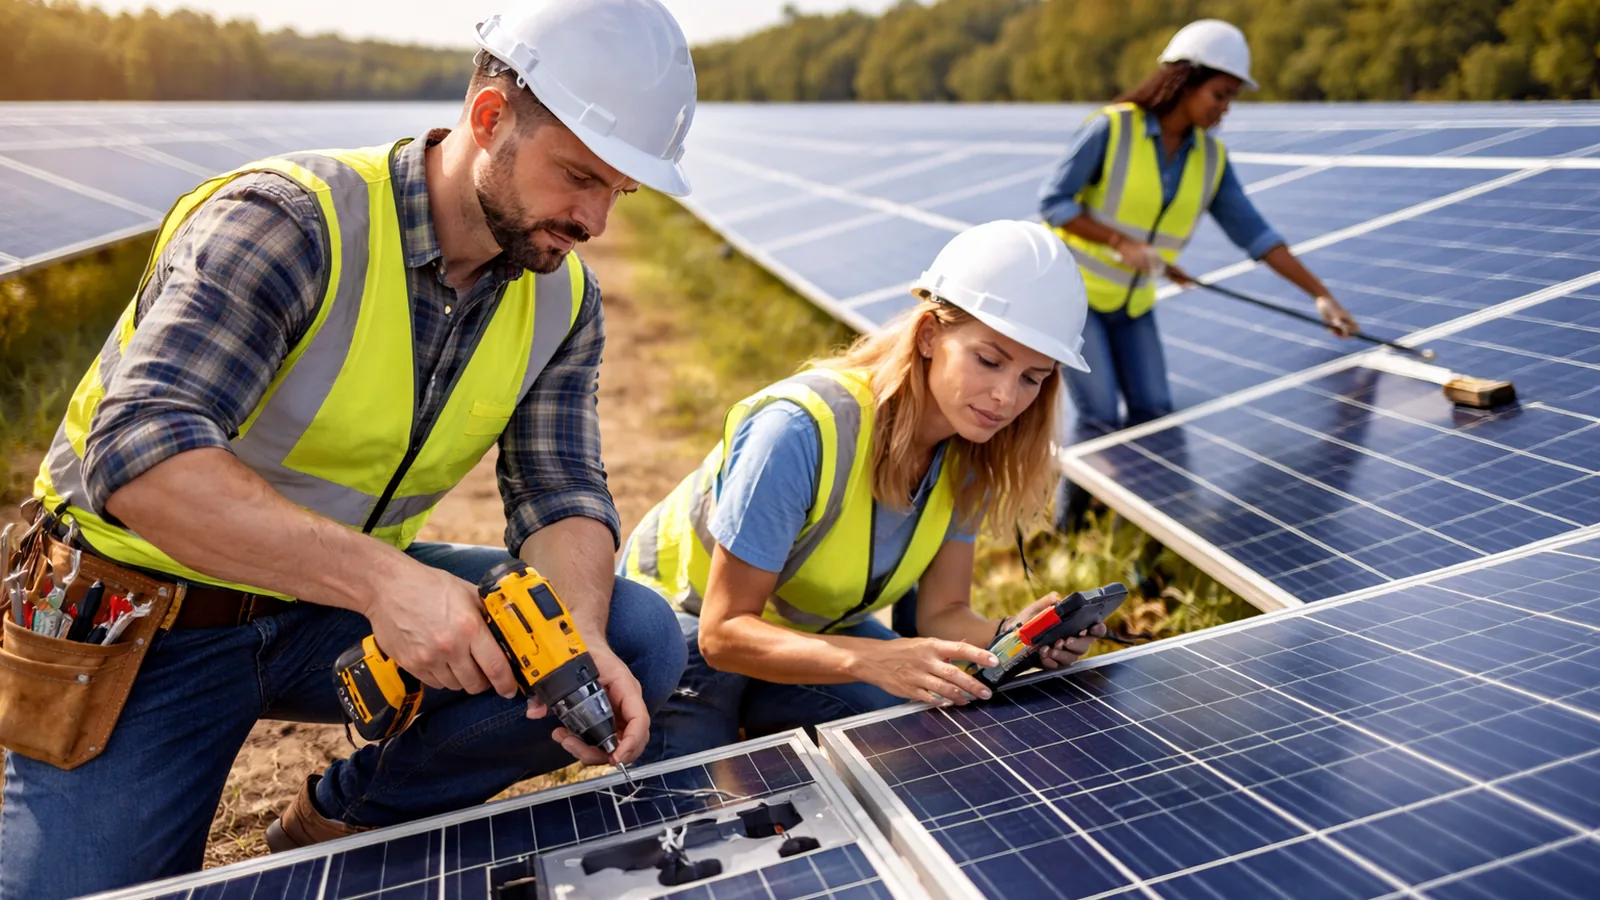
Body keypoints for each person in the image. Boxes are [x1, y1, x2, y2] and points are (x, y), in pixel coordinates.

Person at [0, 2, 696, 897]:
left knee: (634, 635)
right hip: (148, 622)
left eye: (617, 191)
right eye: (577, 176)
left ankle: (342, 822)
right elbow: (139, 455)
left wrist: (582, 639)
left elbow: (562, 491)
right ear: (489, 119)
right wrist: (384, 583)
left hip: (320, 612)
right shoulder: (290, 222)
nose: (594, 218)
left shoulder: (560, 299)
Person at [621, 220, 1112, 762]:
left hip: (811, 635)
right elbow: (724, 634)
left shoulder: (970, 451)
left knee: (949, 741)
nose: (1004, 396)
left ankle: (773, 725)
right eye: (989, 360)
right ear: (929, 335)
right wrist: (872, 660)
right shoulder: (799, 431)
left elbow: (939, 614)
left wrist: (1015, 635)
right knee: (685, 818)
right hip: (679, 635)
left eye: (1032, 377)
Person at [1040, 19, 1360, 531]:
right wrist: (1121, 243)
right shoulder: (1112, 128)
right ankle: (1069, 529)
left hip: (1134, 303)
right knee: (1100, 415)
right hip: (1076, 299)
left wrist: (1320, 295)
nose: (1224, 108)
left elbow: (1255, 234)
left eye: (1231, 98)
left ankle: (1134, 535)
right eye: (1219, 94)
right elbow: (1053, 203)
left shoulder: (1210, 159)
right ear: (1184, 81)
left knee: (1153, 412)